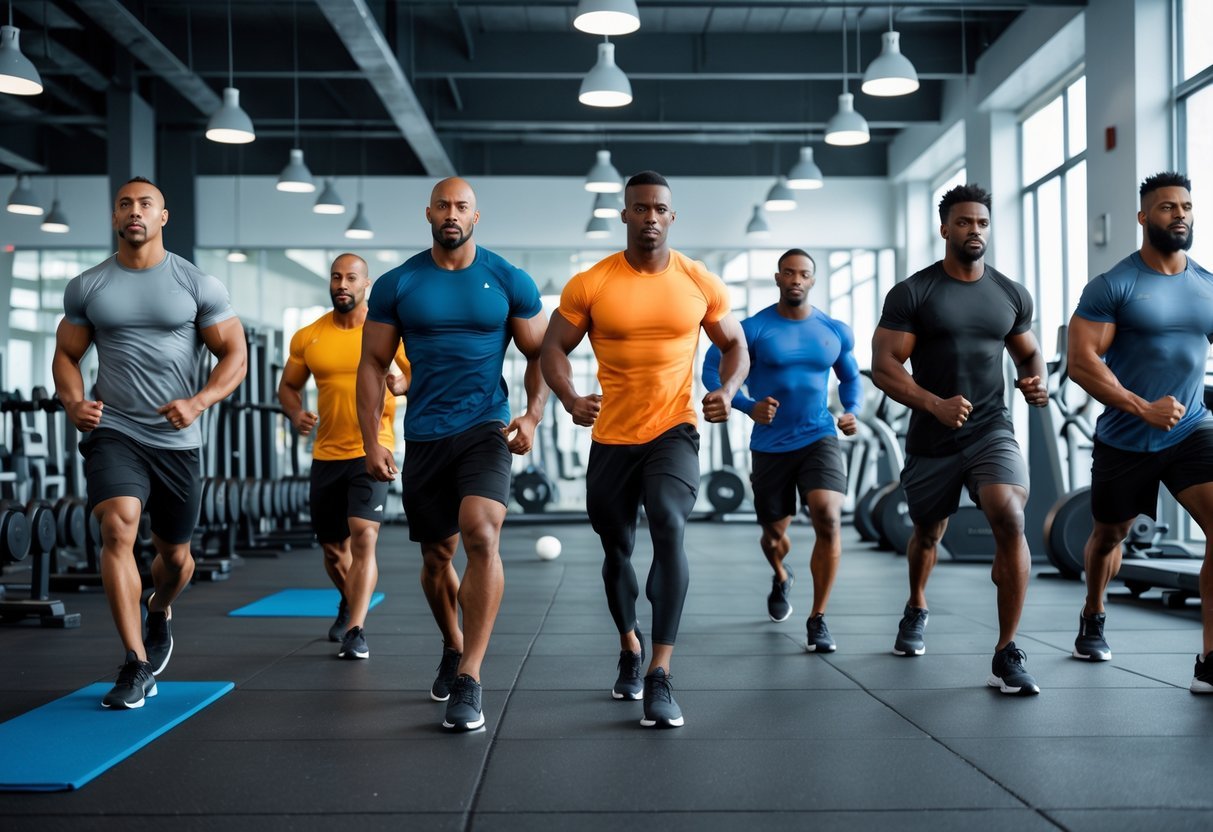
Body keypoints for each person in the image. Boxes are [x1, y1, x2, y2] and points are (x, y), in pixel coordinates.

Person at [540, 170, 748, 728]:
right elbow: (552, 348)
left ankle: (660, 671)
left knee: (669, 523)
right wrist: (568, 397)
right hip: (611, 436)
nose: (650, 217)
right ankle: (629, 645)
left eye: (659, 208)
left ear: (671, 217)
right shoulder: (592, 283)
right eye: (640, 208)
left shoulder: (699, 280)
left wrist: (727, 391)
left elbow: (735, 344)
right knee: (617, 550)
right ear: (625, 215)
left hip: (674, 429)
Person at [357, 177, 548, 732]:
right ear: (429, 213)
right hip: (425, 435)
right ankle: (452, 642)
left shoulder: (507, 279)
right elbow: (372, 364)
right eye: (443, 205)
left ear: (475, 216)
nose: (451, 213)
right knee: (437, 557)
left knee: (482, 533)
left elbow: (540, 352)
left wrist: (532, 415)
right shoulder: (398, 283)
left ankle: (470, 676)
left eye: (461, 206)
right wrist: (372, 441)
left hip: (485, 426)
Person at [52, 176, 247, 709]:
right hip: (115, 430)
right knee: (117, 527)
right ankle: (136, 663)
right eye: (125, 204)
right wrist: (73, 402)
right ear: (115, 217)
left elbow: (235, 354)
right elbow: (67, 355)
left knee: (176, 558)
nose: (134, 211)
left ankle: (159, 607)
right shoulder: (88, 286)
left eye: (145, 204)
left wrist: (199, 402)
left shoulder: (196, 283)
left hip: (178, 440)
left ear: (163, 217)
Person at [871, 183, 1047, 696]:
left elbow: (1028, 353)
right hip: (932, 436)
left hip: (991, 428)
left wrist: (1035, 381)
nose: (975, 230)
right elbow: (884, 366)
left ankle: (1007, 649)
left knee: (1009, 516)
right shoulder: (914, 293)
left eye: (983, 222)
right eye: (965, 222)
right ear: (945, 228)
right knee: (928, 533)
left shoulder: (1010, 293)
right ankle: (917, 604)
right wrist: (934, 404)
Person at [1067, 171, 1213, 693]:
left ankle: (1210, 659)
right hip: (1127, 435)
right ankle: (1094, 611)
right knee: (1110, 534)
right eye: (1168, 207)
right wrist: (1140, 407)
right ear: (1143, 216)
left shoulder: (1207, 285)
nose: (1180, 214)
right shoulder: (1115, 285)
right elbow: (1081, 362)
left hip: (1191, 429)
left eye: (1186, 206)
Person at [701, 248, 861, 651]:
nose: (796, 280)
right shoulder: (753, 329)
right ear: (777, 278)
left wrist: (851, 410)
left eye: (803, 274)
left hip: (819, 435)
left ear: (813, 280)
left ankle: (818, 618)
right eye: (789, 273)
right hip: (770, 444)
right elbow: (710, 369)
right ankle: (781, 574)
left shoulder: (833, 330)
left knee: (828, 515)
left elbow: (849, 377)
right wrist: (745, 405)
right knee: (774, 536)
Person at [278, 253, 409, 660]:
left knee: (364, 535)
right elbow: (288, 387)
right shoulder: (309, 336)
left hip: (373, 448)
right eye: (336, 277)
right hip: (327, 453)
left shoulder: (387, 331)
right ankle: (349, 602)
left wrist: (403, 383)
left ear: (366, 284)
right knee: (334, 551)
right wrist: (296, 413)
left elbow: (416, 372)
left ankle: (356, 629)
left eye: (352, 278)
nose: (342, 285)